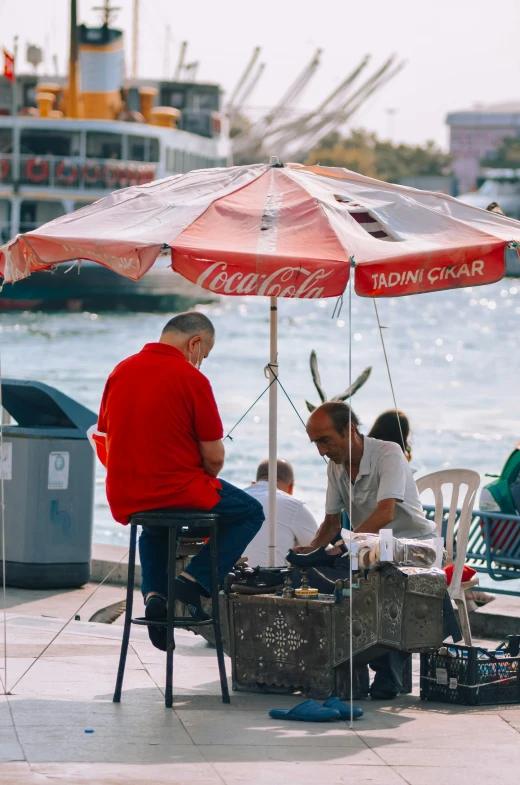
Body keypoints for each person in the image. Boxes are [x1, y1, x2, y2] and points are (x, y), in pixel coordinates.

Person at [95, 312, 265, 650]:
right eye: (205, 354)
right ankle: (193, 580)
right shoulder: (191, 378)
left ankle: (155, 597)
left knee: (155, 526)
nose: (202, 361)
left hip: (128, 493)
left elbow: (104, 436)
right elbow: (214, 458)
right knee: (250, 512)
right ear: (195, 343)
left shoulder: (120, 371)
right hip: (177, 488)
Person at [298, 401, 437, 699]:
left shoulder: (389, 453)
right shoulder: (336, 468)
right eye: (316, 443)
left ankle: (387, 670)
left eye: (325, 440)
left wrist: (344, 545)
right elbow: (331, 523)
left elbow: (385, 513)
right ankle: (342, 659)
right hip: (371, 548)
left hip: (417, 547)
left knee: (377, 573)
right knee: (314, 573)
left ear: (349, 430)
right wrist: (310, 550)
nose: (321, 451)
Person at [243, 458, 319, 566]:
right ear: (291, 488)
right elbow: (319, 549)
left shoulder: (235, 500)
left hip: (227, 578)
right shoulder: (294, 505)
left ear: (254, 483)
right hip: (269, 580)